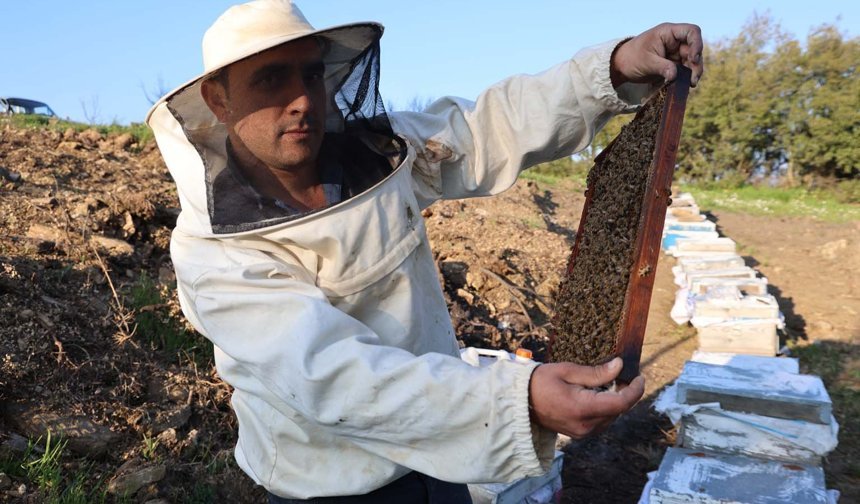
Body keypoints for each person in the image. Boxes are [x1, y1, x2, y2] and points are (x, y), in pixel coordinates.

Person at [146, 0, 703, 501]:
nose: (301, 100)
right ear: (218, 100)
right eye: (270, 79)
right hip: (335, 488)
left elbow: (488, 129)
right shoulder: (214, 255)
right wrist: (520, 399)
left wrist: (612, 67)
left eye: (312, 74)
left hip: (444, 454)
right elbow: (335, 376)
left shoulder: (379, 158)